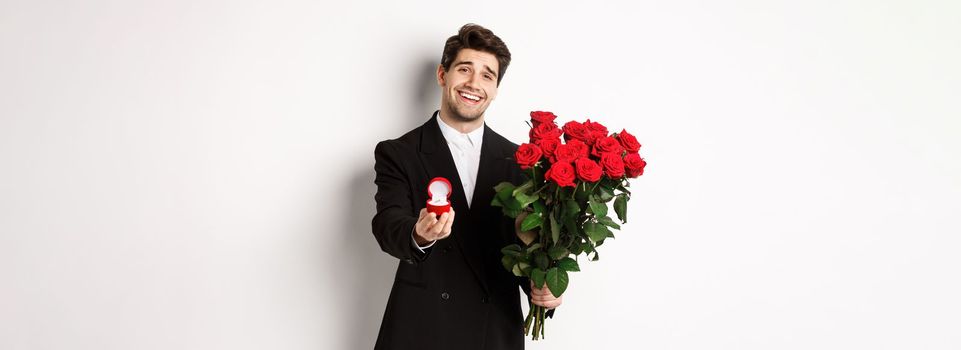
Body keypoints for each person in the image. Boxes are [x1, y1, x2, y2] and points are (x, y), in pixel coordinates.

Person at [371, 24, 562, 349]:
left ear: (496, 88)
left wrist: (542, 284)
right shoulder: (399, 152)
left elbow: (526, 248)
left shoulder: (521, 161)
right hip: (421, 327)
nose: (474, 83)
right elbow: (387, 224)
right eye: (465, 69)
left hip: (494, 331)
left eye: (487, 75)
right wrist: (419, 233)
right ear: (443, 74)